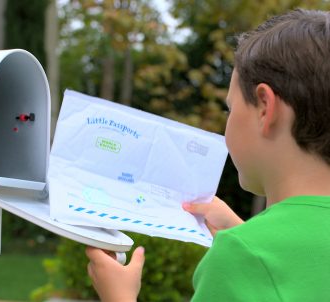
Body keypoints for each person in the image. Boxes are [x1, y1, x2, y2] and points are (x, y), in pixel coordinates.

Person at [85, 8, 330, 301]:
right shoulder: (255, 252)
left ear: (265, 108)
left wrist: (119, 297)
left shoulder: (239, 257)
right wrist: (247, 232)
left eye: (231, 108)